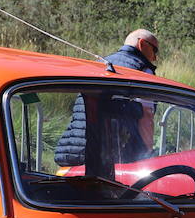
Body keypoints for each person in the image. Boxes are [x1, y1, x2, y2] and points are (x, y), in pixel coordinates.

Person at [54, 29, 160, 167]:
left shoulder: (101, 63)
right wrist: (147, 153)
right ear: (142, 44)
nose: (155, 58)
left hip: (75, 150)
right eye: (155, 50)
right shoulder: (143, 70)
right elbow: (147, 115)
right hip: (110, 156)